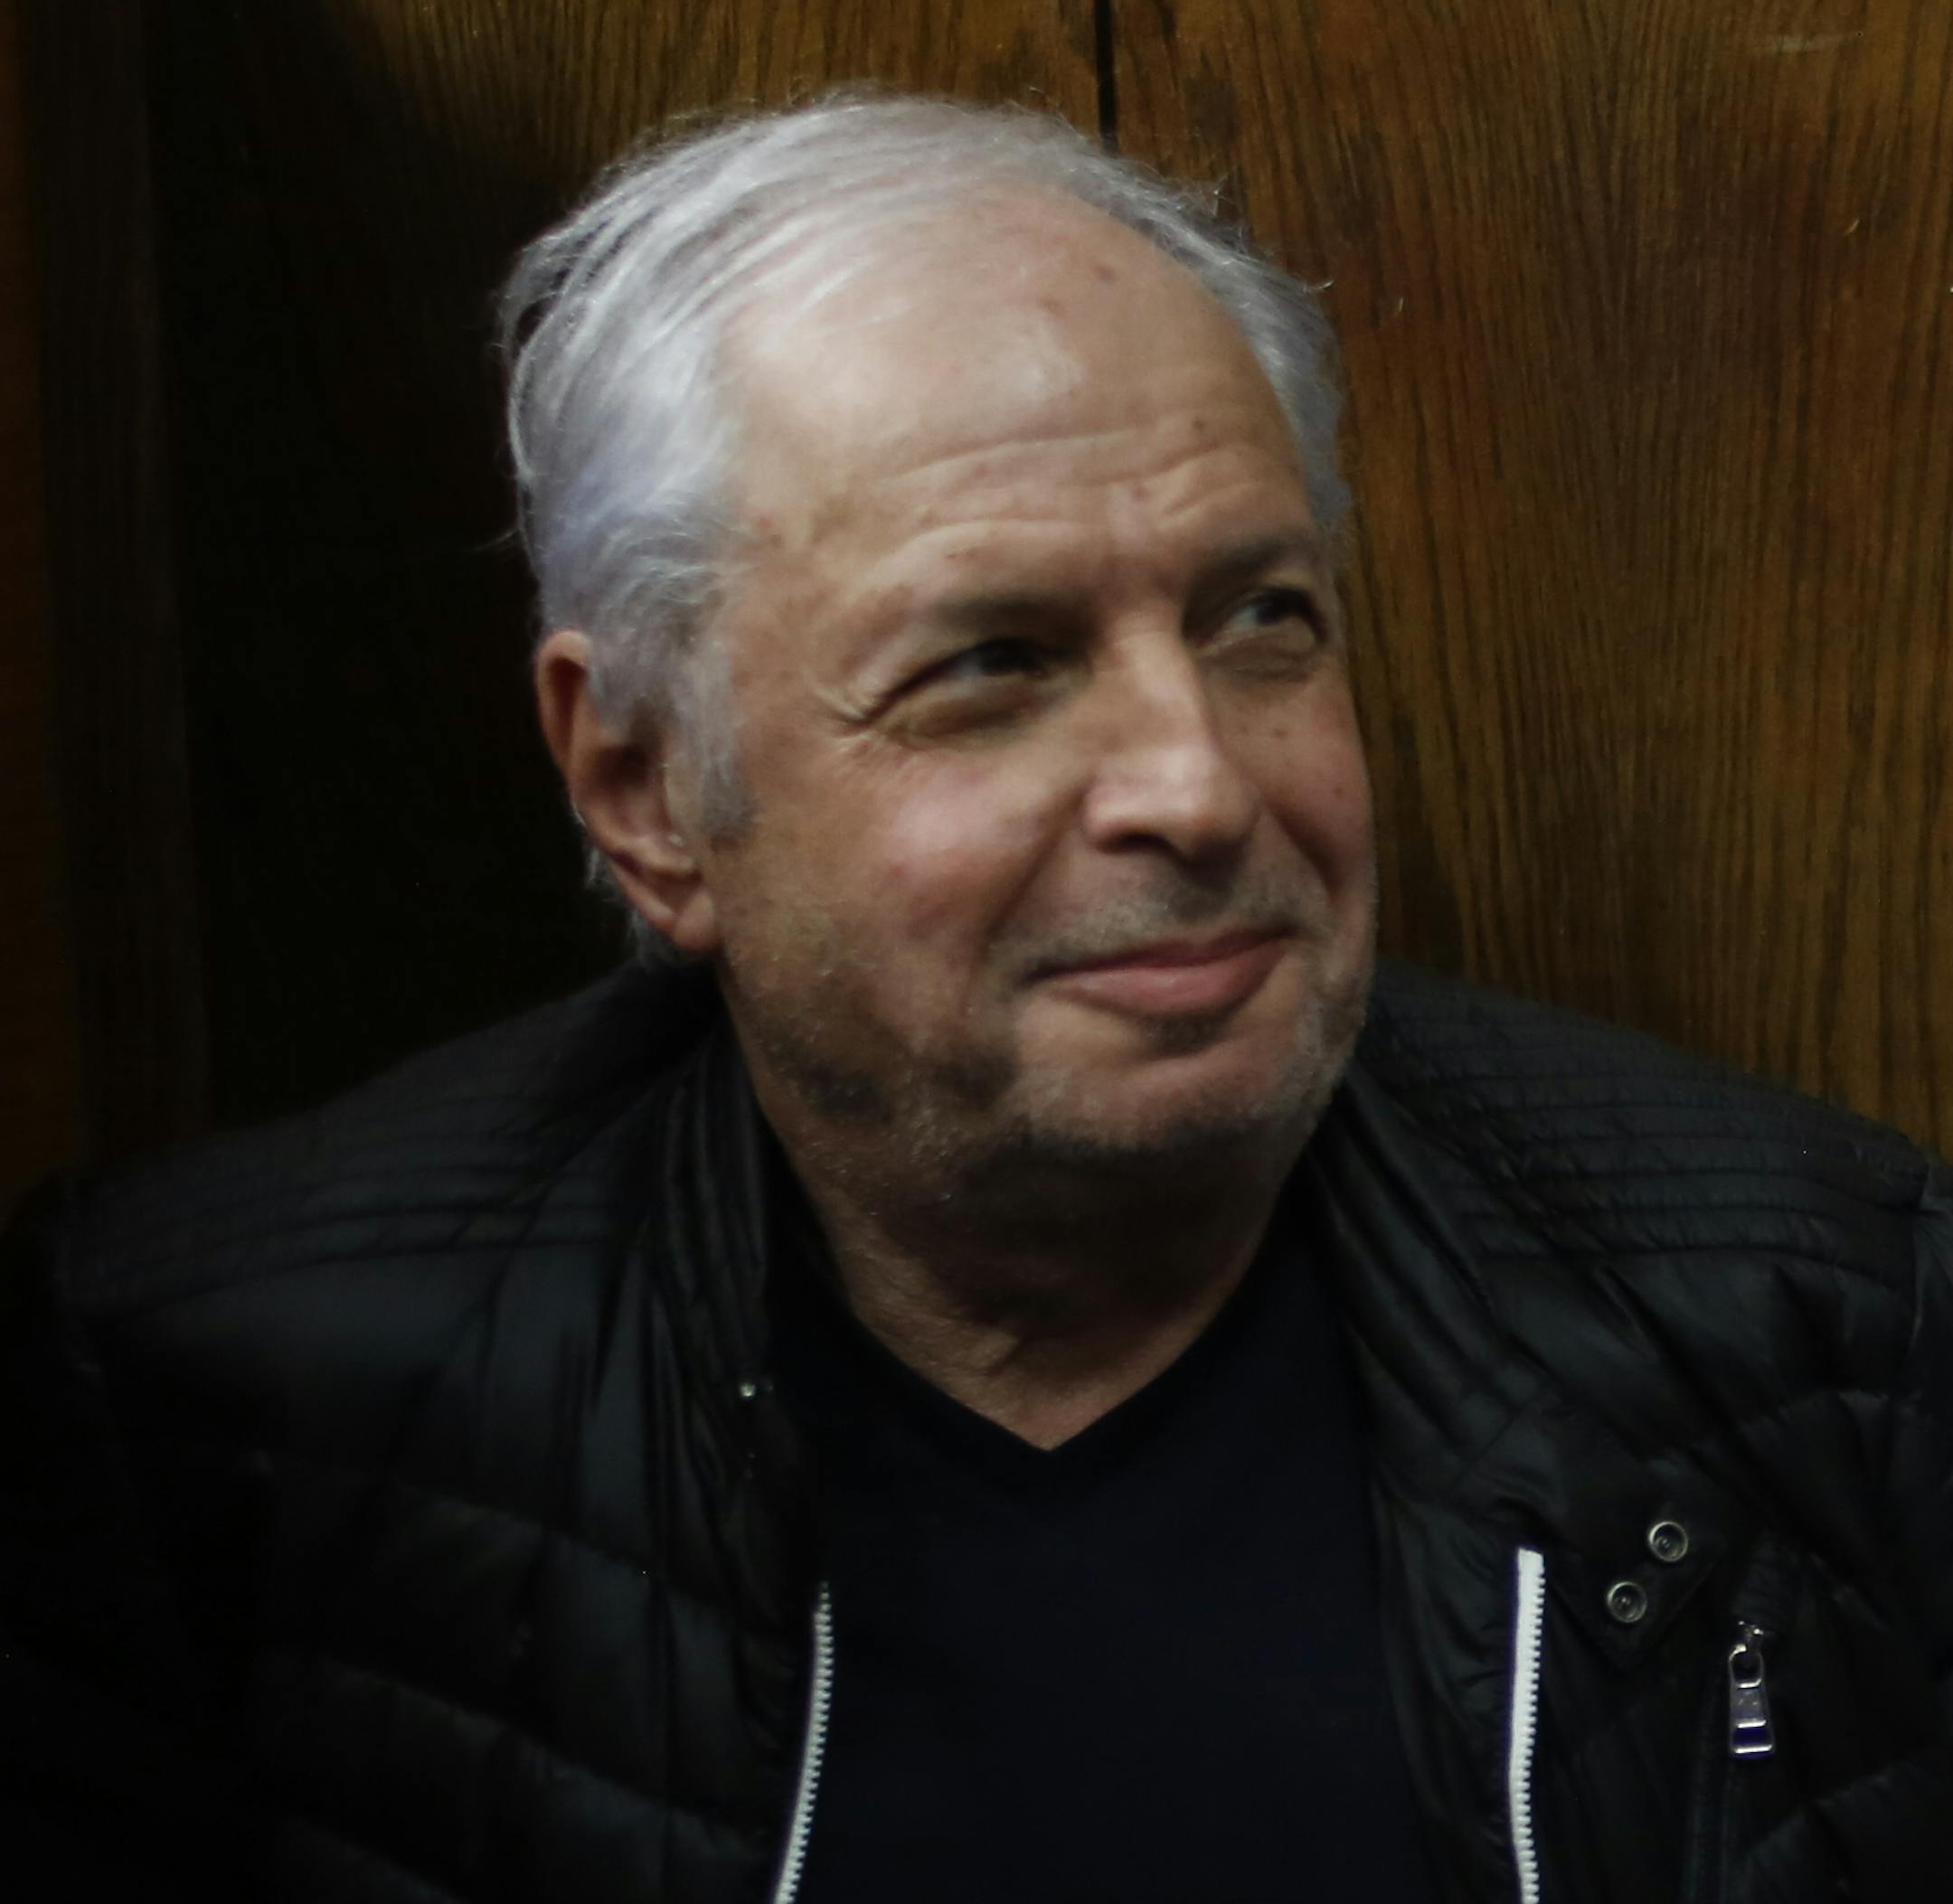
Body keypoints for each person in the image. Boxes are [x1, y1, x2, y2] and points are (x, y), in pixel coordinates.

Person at [4, 94, 1950, 1904]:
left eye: (1259, 619)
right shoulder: (208, 1391)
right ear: (647, 789)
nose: (1196, 784)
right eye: (993, 664)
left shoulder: (1837, 1325)